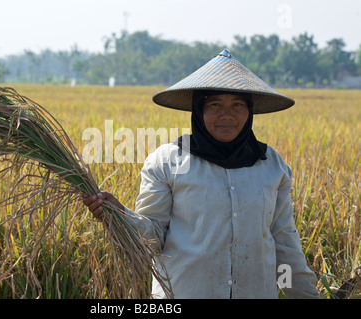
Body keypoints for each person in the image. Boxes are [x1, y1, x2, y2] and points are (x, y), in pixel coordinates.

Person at [83, 50, 319, 299]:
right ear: (198, 110)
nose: (227, 115)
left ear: (249, 111)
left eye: (237, 105)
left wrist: (305, 295)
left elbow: (284, 244)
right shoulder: (168, 162)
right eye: (215, 105)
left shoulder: (271, 165)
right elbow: (152, 237)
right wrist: (120, 216)